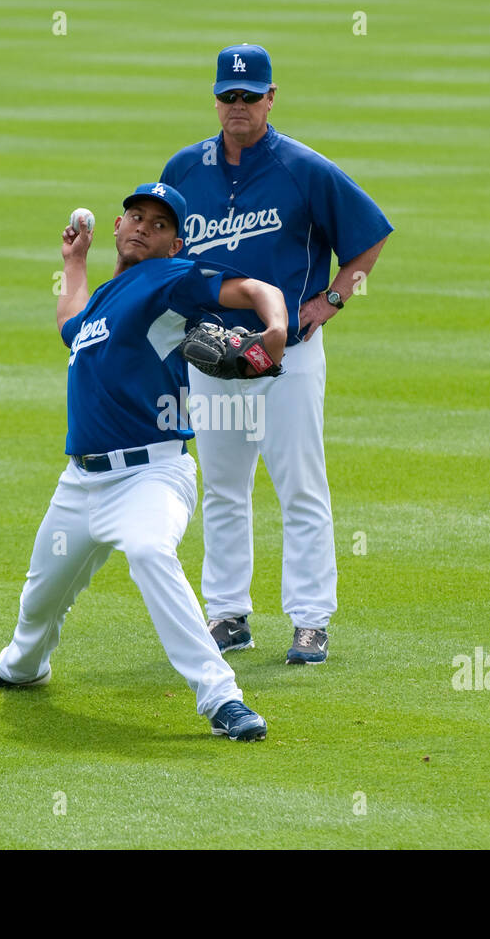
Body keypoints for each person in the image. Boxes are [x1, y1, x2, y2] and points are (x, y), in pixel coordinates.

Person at [0, 183, 287, 741]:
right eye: (135, 216)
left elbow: (257, 287)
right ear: (117, 224)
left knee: (151, 550)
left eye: (158, 225)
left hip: (150, 477)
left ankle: (222, 697)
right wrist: (73, 262)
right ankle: (22, 667)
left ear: (174, 243)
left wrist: (274, 331)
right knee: (40, 597)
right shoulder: (108, 297)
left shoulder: (171, 280)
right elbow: (70, 324)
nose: (142, 227)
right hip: (79, 484)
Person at [159, 44, 393, 664]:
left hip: (285, 356)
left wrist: (333, 300)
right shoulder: (183, 170)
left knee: (300, 486)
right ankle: (228, 615)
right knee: (224, 489)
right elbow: (162, 252)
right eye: (229, 97)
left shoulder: (303, 168)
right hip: (211, 355)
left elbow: (370, 238)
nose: (239, 107)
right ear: (215, 99)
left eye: (251, 96)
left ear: (271, 97)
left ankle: (311, 621)